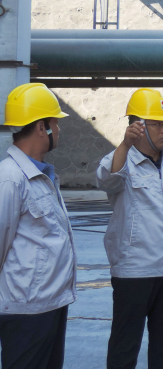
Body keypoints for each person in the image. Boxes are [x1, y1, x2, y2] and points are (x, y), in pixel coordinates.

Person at [96, 88, 163, 369]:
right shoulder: (122, 161)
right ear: (137, 127)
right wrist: (124, 145)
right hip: (135, 271)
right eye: (156, 124)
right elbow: (107, 180)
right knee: (125, 346)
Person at [0, 83, 76, 369]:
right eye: (55, 122)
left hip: (50, 304)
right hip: (25, 311)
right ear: (41, 127)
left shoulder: (42, 175)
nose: (59, 129)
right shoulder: (10, 178)